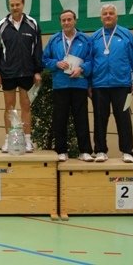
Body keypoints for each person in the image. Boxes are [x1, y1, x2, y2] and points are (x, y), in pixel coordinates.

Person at [89, 4, 133, 163]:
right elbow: (89, 62)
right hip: (99, 85)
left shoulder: (126, 35)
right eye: (105, 14)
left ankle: (127, 151)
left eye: (111, 13)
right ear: (101, 17)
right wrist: (88, 84)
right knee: (99, 119)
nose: (108, 16)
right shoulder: (95, 37)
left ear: (116, 16)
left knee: (124, 118)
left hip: (122, 85)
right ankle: (100, 150)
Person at [0, 0, 43, 153]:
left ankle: (27, 140)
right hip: (8, 72)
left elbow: (38, 49)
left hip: (27, 72)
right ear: (9, 6)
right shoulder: (1, 25)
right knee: (9, 107)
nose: (14, 7)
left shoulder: (32, 24)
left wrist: (38, 70)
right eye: (12, 5)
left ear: (23, 4)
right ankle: (9, 139)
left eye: (17, 4)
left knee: (26, 106)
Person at [42, 10, 93, 162]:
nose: (66, 23)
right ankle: (61, 150)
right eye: (63, 20)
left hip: (79, 84)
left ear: (75, 21)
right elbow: (44, 60)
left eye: (69, 19)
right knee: (60, 118)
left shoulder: (85, 39)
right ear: (60, 22)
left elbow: (91, 60)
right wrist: (56, 63)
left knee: (81, 118)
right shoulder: (54, 39)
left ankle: (84, 151)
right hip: (60, 84)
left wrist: (82, 69)